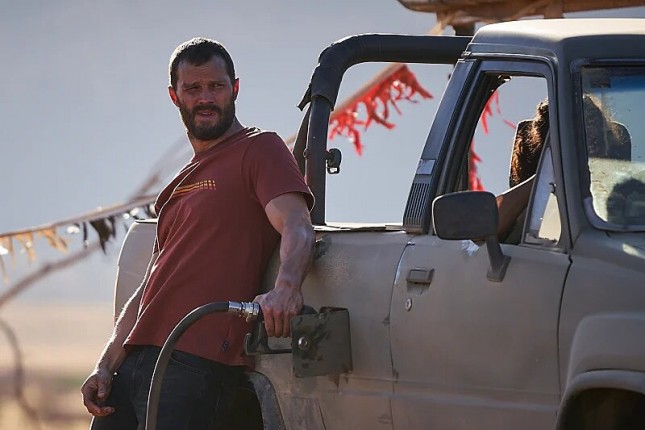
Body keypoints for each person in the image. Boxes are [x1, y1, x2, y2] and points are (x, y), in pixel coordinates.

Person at [81, 37, 315, 430]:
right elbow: (151, 285)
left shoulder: (260, 149)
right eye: (192, 88)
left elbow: (297, 223)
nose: (205, 98)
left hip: (195, 363)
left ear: (234, 89)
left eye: (216, 86)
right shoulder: (177, 186)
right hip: (133, 366)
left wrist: (287, 287)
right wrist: (105, 365)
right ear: (175, 96)